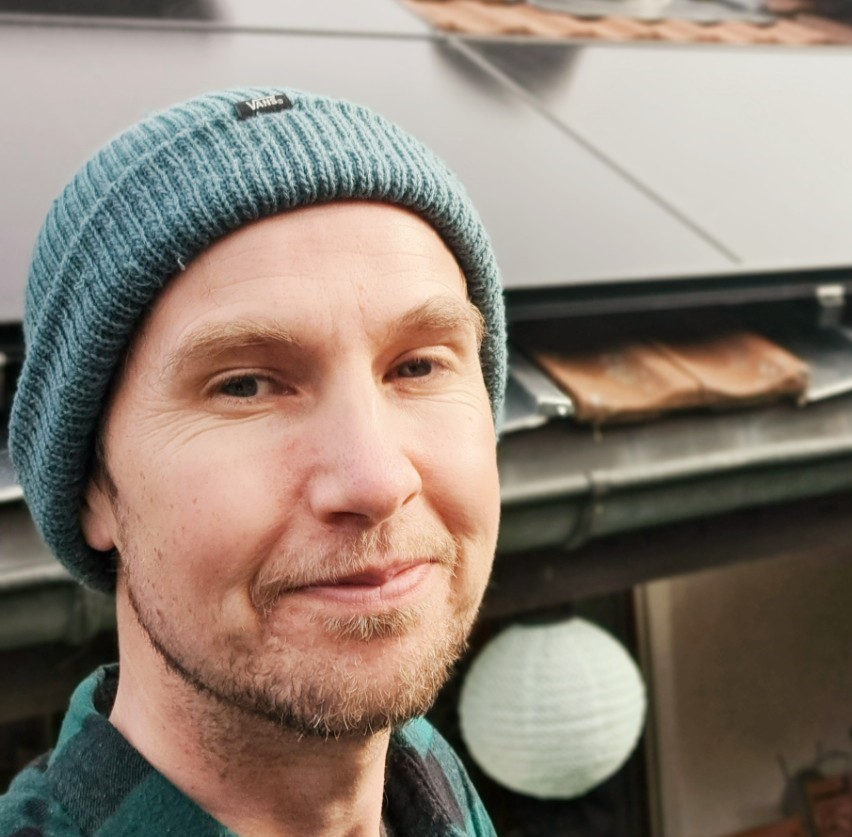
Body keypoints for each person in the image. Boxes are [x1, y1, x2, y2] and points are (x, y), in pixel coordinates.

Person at [0, 87, 506, 836]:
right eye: (244, 385)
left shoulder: (428, 780)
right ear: (92, 489)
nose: (376, 480)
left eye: (419, 367)